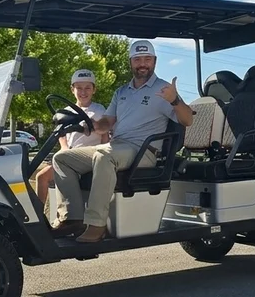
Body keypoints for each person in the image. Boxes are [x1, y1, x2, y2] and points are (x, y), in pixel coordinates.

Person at [51, 39, 193, 243]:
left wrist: (174, 100)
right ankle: (72, 218)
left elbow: (187, 119)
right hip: (116, 146)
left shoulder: (164, 90)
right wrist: (87, 125)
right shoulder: (122, 92)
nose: (142, 63)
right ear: (131, 62)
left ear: (154, 61)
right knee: (62, 159)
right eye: (137, 59)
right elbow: (107, 122)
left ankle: (96, 224)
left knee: (103, 155)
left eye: (147, 59)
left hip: (144, 150)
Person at [34, 69, 107, 212]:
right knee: (41, 176)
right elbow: (62, 134)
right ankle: (39, 216)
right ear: (72, 89)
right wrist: (64, 148)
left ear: (94, 90)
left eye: (87, 88)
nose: (83, 92)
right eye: (79, 88)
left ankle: (71, 216)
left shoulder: (100, 110)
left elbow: (104, 135)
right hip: (69, 155)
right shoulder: (65, 111)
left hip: (90, 158)